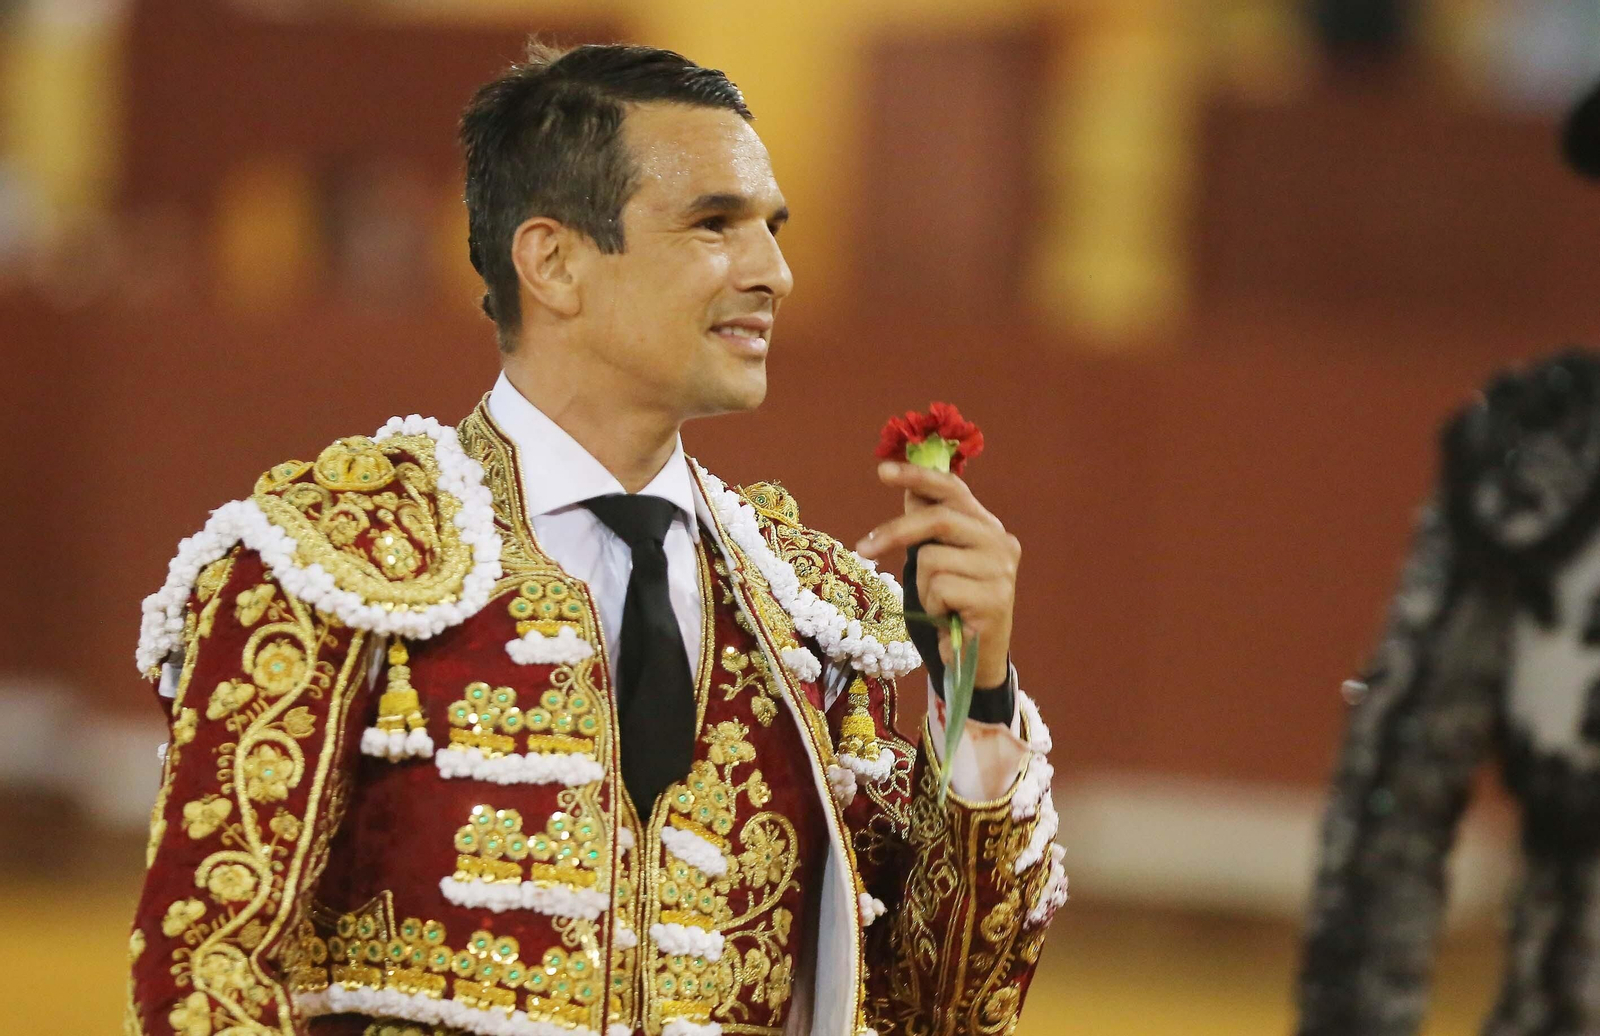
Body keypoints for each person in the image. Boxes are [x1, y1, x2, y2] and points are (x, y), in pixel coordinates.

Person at [126, 42, 1063, 1036]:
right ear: (555, 261)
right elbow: (210, 962)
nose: (774, 271)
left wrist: (978, 699)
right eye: (714, 225)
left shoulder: (810, 615)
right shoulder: (338, 559)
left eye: (769, 229)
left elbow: (935, 1012)